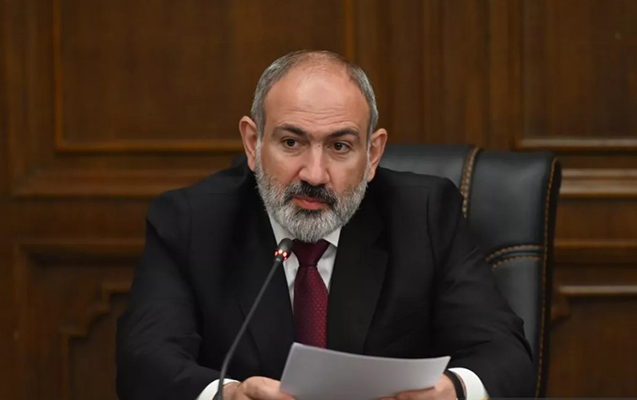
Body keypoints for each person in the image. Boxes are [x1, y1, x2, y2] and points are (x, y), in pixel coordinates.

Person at [116, 50, 534, 400]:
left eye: (339, 146)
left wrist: (453, 390)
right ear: (253, 143)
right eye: (291, 142)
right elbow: (144, 363)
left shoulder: (423, 214)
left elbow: (505, 354)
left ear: (372, 154)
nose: (314, 174)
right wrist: (225, 395)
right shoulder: (191, 222)